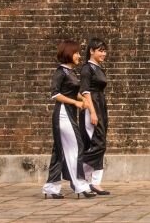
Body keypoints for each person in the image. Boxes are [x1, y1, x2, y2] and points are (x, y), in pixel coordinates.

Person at [42, 40, 96, 199]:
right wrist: (76, 102)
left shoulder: (71, 72)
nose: (79, 55)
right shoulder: (60, 72)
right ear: (68, 53)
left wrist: (83, 100)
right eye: (77, 52)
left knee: (59, 151)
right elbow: (55, 94)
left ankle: (51, 187)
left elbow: (73, 92)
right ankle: (80, 185)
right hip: (62, 115)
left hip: (69, 114)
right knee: (78, 146)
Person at [79, 38, 111, 195]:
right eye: (100, 50)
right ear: (91, 51)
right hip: (92, 107)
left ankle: (95, 182)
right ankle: (78, 172)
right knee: (97, 144)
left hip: (101, 106)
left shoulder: (99, 68)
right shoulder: (87, 69)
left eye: (104, 50)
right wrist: (92, 112)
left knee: (101, 143)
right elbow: (85, 92)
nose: (103, 53)